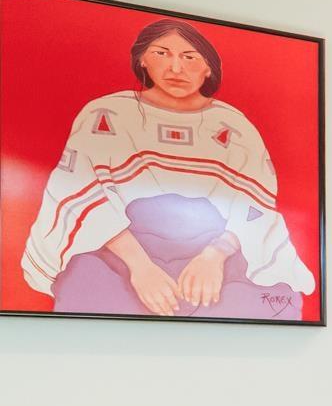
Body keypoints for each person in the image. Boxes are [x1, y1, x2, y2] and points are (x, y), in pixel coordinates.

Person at [18, 17, 316, 318]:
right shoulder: (107, 114)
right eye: (162, 53)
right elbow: (80, 195)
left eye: (189, 57)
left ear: (208, 67)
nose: (176, 68)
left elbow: (256, 206)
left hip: (219, 249)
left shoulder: (233, 126)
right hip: (120, 247)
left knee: (275, 301)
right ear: (143, 60)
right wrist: (141, 268)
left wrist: (214, 256)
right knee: (87, 288)